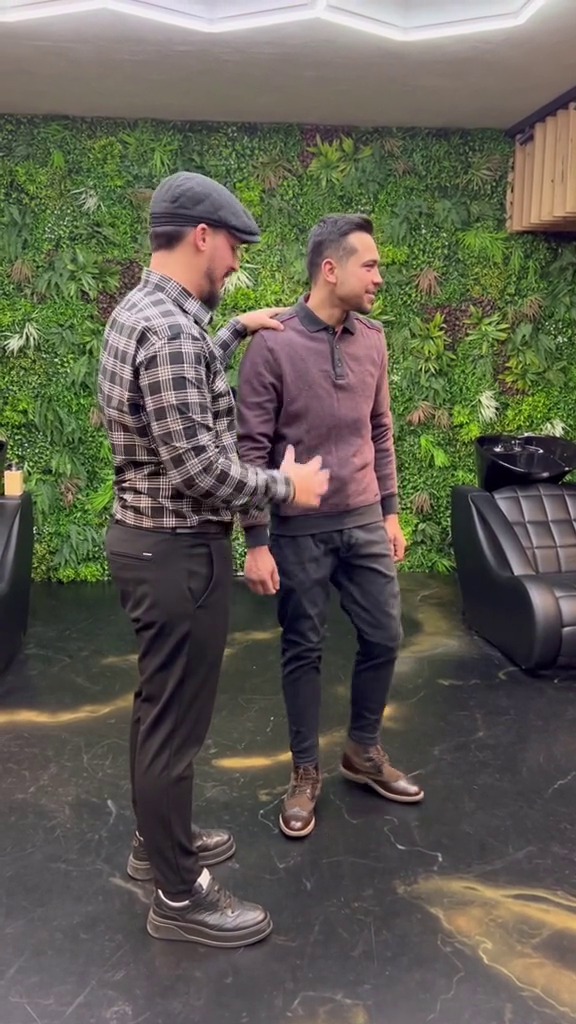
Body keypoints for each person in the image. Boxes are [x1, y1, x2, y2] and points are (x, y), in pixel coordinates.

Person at [98, 171, 330, 946]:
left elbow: (176, 397)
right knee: (175, 729)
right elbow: (201, 467)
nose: (235, 264)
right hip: (177, 555)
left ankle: (157, 842)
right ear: (202, 236)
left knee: (159, 714)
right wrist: (288, 486)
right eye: (233, 248)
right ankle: (179, 894)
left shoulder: (149, 313)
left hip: (150, 544)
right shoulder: (168, 331)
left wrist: (232, 332)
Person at [236, 214, 424, 840]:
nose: (379, 277)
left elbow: (380, 429)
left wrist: (390, 511)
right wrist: (257, 541)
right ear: (330, 269)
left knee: (385, 635)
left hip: (365, 517)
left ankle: (362, 751)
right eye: (369, 265)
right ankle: (304, 771)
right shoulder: (273, 344)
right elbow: (251, 448)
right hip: (299, 529)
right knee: (303, 647)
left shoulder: (373, 339)